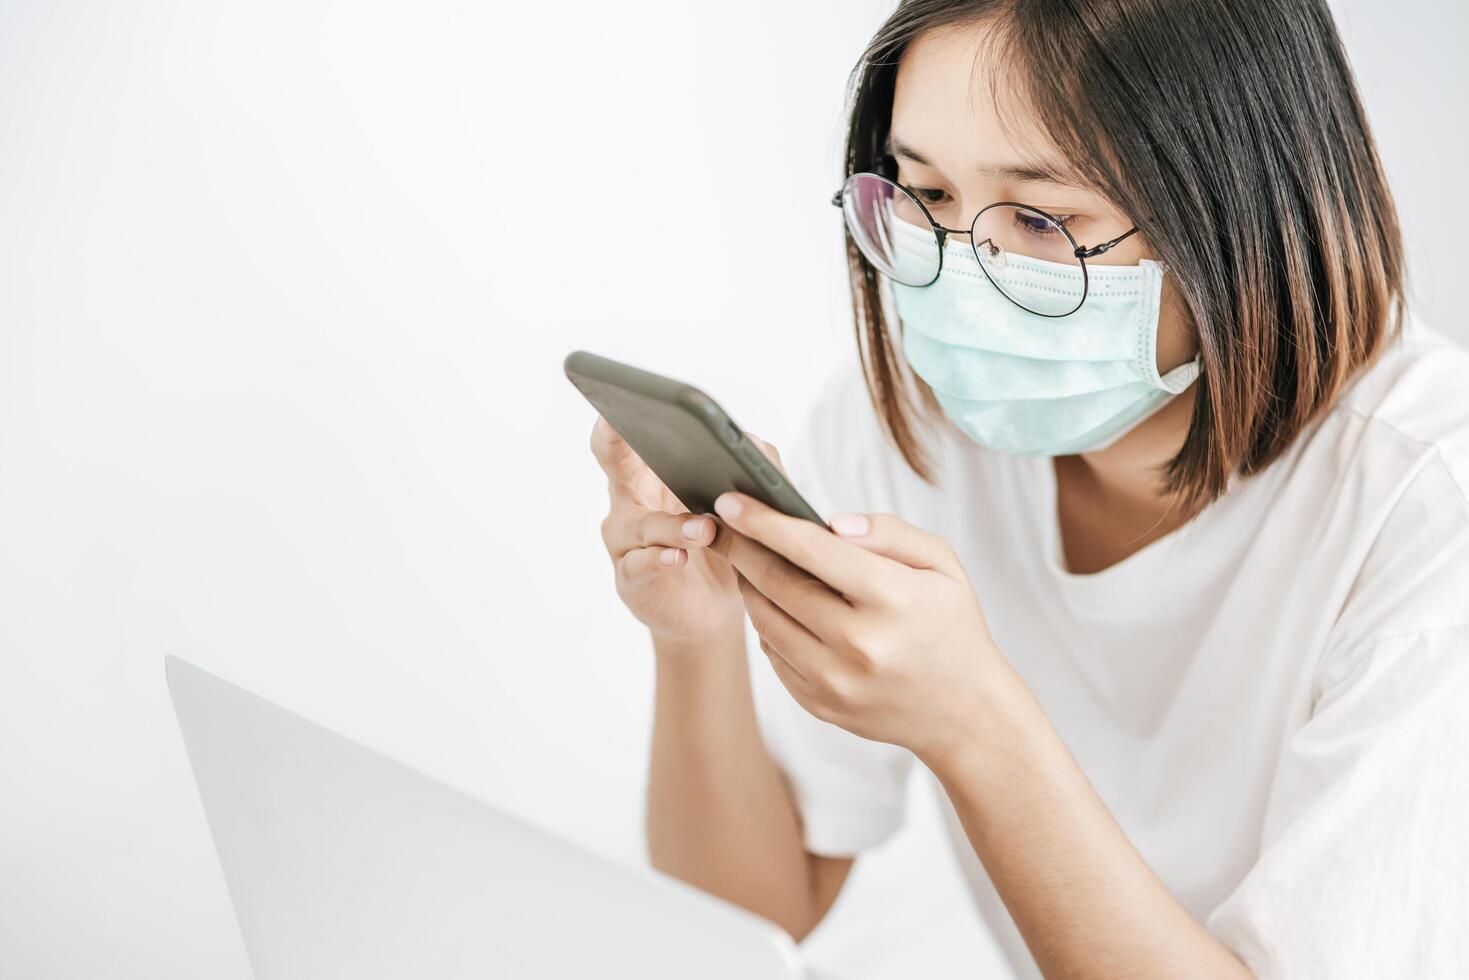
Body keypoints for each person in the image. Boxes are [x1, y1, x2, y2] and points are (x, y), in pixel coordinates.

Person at [586, 1, 1469, 976]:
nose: (958, 280)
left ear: (1239, 209)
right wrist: (699, 637)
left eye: (1041, 219)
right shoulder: (911, 429)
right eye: (923, 194)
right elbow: (752, 911)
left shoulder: (1428, 507)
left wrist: (971, 719)